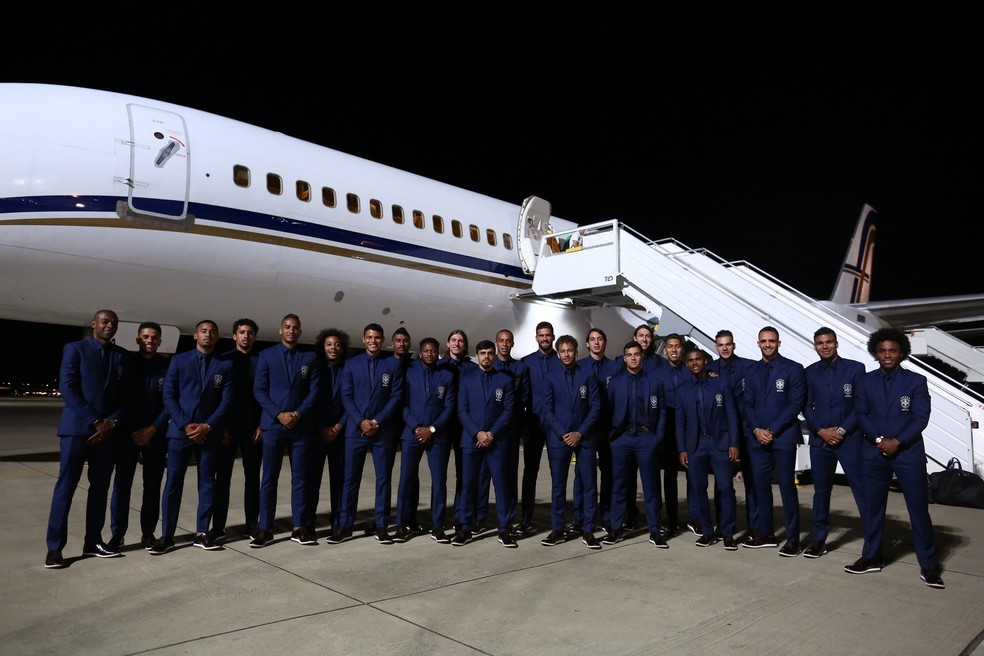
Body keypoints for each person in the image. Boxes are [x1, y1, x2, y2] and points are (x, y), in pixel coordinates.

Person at [846, 328, 944, 589]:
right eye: (882, 351)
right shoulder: (865, 381)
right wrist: (880, 440)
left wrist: (897, 442)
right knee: (873, 509)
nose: (887, 355)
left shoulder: (916, 381)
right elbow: (860, 414)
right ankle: (871, 557)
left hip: (908, 453)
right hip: (873, 452)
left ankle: (929, 566)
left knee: (918, 510)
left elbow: (920, 417)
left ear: (901, 353)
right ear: (875, 353)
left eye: (892, 351)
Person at [45, 309, 130, 568]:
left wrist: (110, 423)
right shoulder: (75, 349)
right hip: (77, 430)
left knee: (100, 489)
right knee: (66, 487)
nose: (109, 326)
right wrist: (96, 421)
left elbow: (126, 395)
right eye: (105, 321)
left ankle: (93, 541)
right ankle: (54, 548)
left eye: (113, 323)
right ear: (94, 323)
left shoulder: (122, 355)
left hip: (107, 433)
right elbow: (68, 387)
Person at [151, 319, 234, 555]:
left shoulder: (225, 365)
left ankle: (202, 532)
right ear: (196, 336)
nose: (208, 335)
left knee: (207, 483)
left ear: (217, 337)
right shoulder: (179, 360)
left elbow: (226, 401)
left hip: (209, 433)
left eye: (212, 332)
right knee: (173, 483)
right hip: (180, 432)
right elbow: (169, 395)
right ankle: (167, 535)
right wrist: (185, 425)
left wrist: (207, 426)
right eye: (203, 331)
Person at [329, 323, 405, 544]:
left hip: (382, 430)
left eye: (377, 337)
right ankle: (345, 525)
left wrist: (377, 421)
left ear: (383, 340)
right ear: (363, 339)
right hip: (356, 430)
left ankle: (381, 525)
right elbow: (347, 396)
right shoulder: (351, 364)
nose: (373, 341)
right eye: (369, 337)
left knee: (383, 479)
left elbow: (396, 397)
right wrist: (361, 421)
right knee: (350, 479)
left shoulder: (392, 365)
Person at [250, 314, 321, 548]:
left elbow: (314, 391)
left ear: (300, 332)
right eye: (287, 327)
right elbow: (259, 390)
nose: (291, 330)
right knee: (269, 478)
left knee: (300, 478)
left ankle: (298, 527)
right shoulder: (266, 355)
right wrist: (279, 414)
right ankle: (265, 528)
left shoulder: (309, 357)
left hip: (300, 427)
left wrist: (297, 414)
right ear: (280, 330)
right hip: (273, 425)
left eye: (295, 328)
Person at [741, 326, 806, 555]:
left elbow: (795, 404)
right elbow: (747, 404)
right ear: (758, 343)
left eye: (771, 341)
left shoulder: (793, 369)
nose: (767, 344)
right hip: (758, 439)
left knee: (787, 486)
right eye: (763, 341)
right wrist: (757, 430)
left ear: (778, 343)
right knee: (760, 487)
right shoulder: (751, 371)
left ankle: (793, 539)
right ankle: (766, 534)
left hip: (783, 437)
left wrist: (772, 430)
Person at [802, 327, 867, 558]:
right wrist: (820, 431)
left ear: (836, 343)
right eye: (820, 343)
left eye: (828, 342)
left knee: (862, 490)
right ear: (815, 346)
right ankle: (819, 539)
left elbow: (860, 405)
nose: (825, 346)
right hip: (821, 442)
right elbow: (805, 406)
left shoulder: (855, 369)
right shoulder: (809, 372)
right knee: (821, 491)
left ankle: (872, 541)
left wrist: (840, 430)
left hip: (849, 439)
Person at [108, 321, 169, 550]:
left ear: (160, 341)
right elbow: (119, 398)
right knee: (122, 485)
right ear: (137, 339)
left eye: (154, 337)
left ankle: (148, 533)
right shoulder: (126, 363)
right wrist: (135, 429)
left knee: (152, 486)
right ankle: (117, 534)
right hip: (128, 433)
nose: (150, 340)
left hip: (155, 434)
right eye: (145, 336)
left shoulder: (167, 366)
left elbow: (170, 401)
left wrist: (152, 429)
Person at [602, 341, 669, 548]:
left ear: (642, 356)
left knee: (652, 487)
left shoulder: (655, 382)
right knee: (619, 486)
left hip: (646, 439)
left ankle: (655, 530)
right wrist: (613, 438)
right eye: (629, 355)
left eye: (636, 354)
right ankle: (615, 529)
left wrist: (657, 437)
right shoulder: (615, 383)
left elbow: (663, 412)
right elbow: (607, 412)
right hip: (622, 439)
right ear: (624, 358)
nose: (633, 358)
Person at [675, 345, 740, 550]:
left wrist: (734, 443)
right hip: (695, 446)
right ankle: (707, 532)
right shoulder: (682, 389)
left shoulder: (720, 382)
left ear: (705, 361)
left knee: (726, 488)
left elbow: (732, 414)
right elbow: (680, 422)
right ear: (687, 364)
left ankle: (727, 533)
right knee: (698, 489)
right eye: (691, 360)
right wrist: (682, 449)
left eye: (698, 359)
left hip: (719, 443)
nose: (695, 363)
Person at [539, 335, 602, 548]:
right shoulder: (550, 377)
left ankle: (589, 530)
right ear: (558, 353)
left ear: (576, 351)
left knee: (589, 485)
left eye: (570, 350)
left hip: (585, 438)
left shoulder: (588, 374)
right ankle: (558, 530)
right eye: (563, 351)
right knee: (558, 486)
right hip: (559, 439)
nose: (567, 354)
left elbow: (595, 407)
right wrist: (564, 433)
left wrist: (580, 433)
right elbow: (547, 410)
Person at [394, 337, 457, 543]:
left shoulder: (447, 376)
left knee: (439, 482)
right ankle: (401, 525)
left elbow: (449, 407)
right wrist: (416, 427)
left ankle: (438, 527)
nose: (430, 354)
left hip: (437, 435)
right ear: (420, 353)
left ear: (438, 353)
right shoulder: (409, 373)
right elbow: (403, 403)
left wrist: (431, 429)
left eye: (433, 351)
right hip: (411, 434)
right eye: (426, 351)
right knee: (406, 480)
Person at [454, 340, 516, 547]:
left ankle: (504, 529)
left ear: (494, 355)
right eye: (482, 353)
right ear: (477, 356)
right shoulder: (466, 380)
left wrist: (491, 433)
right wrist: (477, 433)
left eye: (490, 353)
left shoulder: (505, 380)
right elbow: (462, 410)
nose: (486, 357)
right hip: (471, 441)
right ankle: (465, 527)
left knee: (501, 486)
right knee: (468, 485)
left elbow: (508, 411)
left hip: (496, 441)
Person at [707, 329, 759, 543]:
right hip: (722, 434)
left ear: (734, 345)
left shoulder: (749, 367)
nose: (725, 348)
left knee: (752, 481)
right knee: (722, 483)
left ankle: (754, 527)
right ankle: (723, 525)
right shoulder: (709, 369)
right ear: (716, 347)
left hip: (746, 431)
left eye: (728, 344)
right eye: (721, 345)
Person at [483, 328, 529, 534]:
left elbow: (523, 398)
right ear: (496, 343)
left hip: (509, 430)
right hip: (486, 429)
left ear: (512, 344)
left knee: (508, 477)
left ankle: (509, 518)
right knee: (482, 476)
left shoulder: (520, 368)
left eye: (508, 341)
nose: (504, 344)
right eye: (501, 341)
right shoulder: (488, 366)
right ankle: (480, 517)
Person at [220, 318, 262, 540]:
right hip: (227, 428)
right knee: (222, 478)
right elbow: (217, 396)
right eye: (242, 332)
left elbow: (268, 395)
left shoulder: (261, 361)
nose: (246, 336)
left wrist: (262, 425)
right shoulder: (224, 360)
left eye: (250, 333)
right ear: (235, 336)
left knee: (253, 478)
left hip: (253, 428)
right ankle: (218, 526)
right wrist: (220, 426)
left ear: (255, 336)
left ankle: (252, 524)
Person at [305, 327, 349, 537]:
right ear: (322, 347)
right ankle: (308, 522)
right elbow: (308, 401)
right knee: (312, 480)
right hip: (316, 434)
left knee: (339, 481)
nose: (333, 348)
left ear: (342, 348)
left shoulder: (348, 370)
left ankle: (338, 521)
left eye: (337, 345)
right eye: (329, 344)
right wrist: (321, 428)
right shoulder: (314, 369)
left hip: (340, 434)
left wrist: (339, 426)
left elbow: (351, 401)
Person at [577, 328, 621, 532]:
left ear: (605, 342)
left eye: (600, 339)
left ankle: (606, 515)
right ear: (587, 344)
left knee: (608, 472)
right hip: (584, 429)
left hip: (608, 428)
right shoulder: (579, 367)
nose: (596, 342)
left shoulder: (615, 367)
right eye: (592, 339)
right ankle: (580, 516)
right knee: (582, 475)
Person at [519, 321, 561, 534]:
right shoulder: (526, 363)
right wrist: (523, 425)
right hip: (534, 425)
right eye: (541, 335)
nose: (545, 338)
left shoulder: (561, 361)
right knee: (530, 473)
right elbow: (522, 397)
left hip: (556, 426)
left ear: (553, 337)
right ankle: (526, 519)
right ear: (536, 338)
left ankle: (557, 521)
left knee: (558, 474)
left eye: (548, 335)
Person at [438, 329, 478, 529]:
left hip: (464, 426)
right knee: (440, 473)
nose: (457, 344)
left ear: (465, 345)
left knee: (464, 473)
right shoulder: (439, 366)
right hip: (443, 425)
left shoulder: (472, 368)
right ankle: (438, 515)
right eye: (453, 340)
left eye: (461, 341)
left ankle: (461, 513)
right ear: (447, 344)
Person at [656, 333, 686, 536]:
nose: (674, 350)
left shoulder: (690, 370)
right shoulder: (656, 373)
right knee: (667, 476)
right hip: (665, 427)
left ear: (682, 349)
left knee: (690, 475)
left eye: (677, 346)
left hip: (687, 428)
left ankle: (691, 517)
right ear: (665, 350)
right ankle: (668, 518)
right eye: (670, 346)